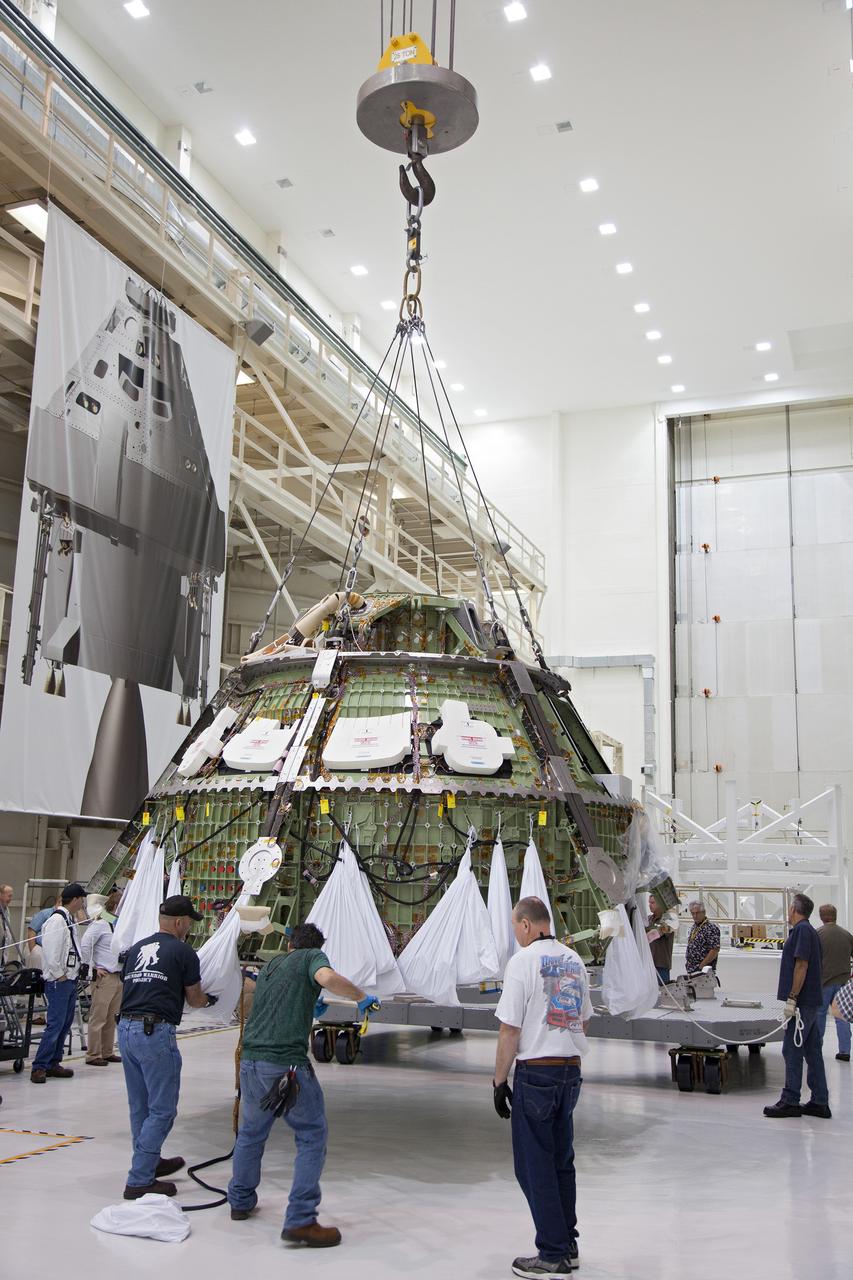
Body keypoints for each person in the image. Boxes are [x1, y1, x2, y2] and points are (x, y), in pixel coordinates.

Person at [227, 922, 380, 1247]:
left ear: (289, 945)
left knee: (252, 1134)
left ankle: (240, 1201)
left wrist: (311, 1005)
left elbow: (283, 1000)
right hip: (285, 1065)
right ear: (313, 948)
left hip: (251, 1062)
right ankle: (300, 1220)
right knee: (311, 1135)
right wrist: (361, 997)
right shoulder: (312, 957)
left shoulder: (271, 966)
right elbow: (326, 978)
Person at [493, 896, 592, 1280]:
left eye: (515, 926)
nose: (515, 933)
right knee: (560, 1161)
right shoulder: (574, 959)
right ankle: (567, 1243)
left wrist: (499, 1081)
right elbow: (584, 1020)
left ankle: (551, 1253)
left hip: (537, 1074)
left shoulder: (522, 963)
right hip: (570, 1071)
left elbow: (509, 1029)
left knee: (533, 1166)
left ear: (526, 925)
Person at [117, 894, 216, 1199]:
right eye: (189, 922)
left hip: (126, 1029)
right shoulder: (184, 952)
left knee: (141, 1106)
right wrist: (212, 999)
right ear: (178, 922)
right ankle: (139, 1179)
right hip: (154, 1031)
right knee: (162, 1109)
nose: (189, 928)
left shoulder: (136, 949)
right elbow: (195, 998)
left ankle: (150, 1161)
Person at [764, 892, 830, 1120]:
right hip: (811, 1000)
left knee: (791, 1049)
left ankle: (790, 1100)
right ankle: (820, 1101)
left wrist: (793, 997)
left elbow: (801, 965)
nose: (788, 910)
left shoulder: (802, 931)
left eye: (790, 906)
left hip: (802, 1002)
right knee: (812, 1051)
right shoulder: (809, 931)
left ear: (794, 909)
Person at [29, 882, 87, 1084]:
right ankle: (39, 1066)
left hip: (69, 980)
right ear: (77, 899)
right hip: (59, 981)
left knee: (64, 1024)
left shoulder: (68, 919)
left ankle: (54, 1062)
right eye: (82, 899)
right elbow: (51, 952)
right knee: (55, 1025)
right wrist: (60, 975)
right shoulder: (56, 921)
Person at [81, 890, 123, 1066]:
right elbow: (85, 944)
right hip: (104, 976)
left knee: (112, 1017)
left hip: (118, 975)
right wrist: (92, 967)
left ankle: (107, 1051)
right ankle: (93, 1054)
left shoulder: (118, 924)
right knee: (98, 1017)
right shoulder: (101, 923)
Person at [815, 903, 853, 1062]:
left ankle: (816, 1047)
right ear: (835, 915)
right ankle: (844, 1051)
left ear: (821, 916)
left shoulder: (818, 934)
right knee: (842, 1017)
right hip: (843, 982)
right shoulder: (847, 935)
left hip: (824, 982)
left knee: (820, 1015)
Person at [646, 892, 678, 983]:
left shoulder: (669, 920)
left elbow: (659, 932)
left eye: (652, 903)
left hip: (660, 964)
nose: (649, 905)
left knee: (662, 992)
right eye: (649, 903)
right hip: (648, 964)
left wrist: (646, 936)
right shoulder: (648, 919)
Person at [685, 899, 721, 973]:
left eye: (697, 913)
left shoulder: (711, 928)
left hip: (703, 970)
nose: (695, 916)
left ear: (704, 912)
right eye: (693, 913)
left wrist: (701, 966)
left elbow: (714, 950)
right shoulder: (695, 927)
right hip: (692, 969)